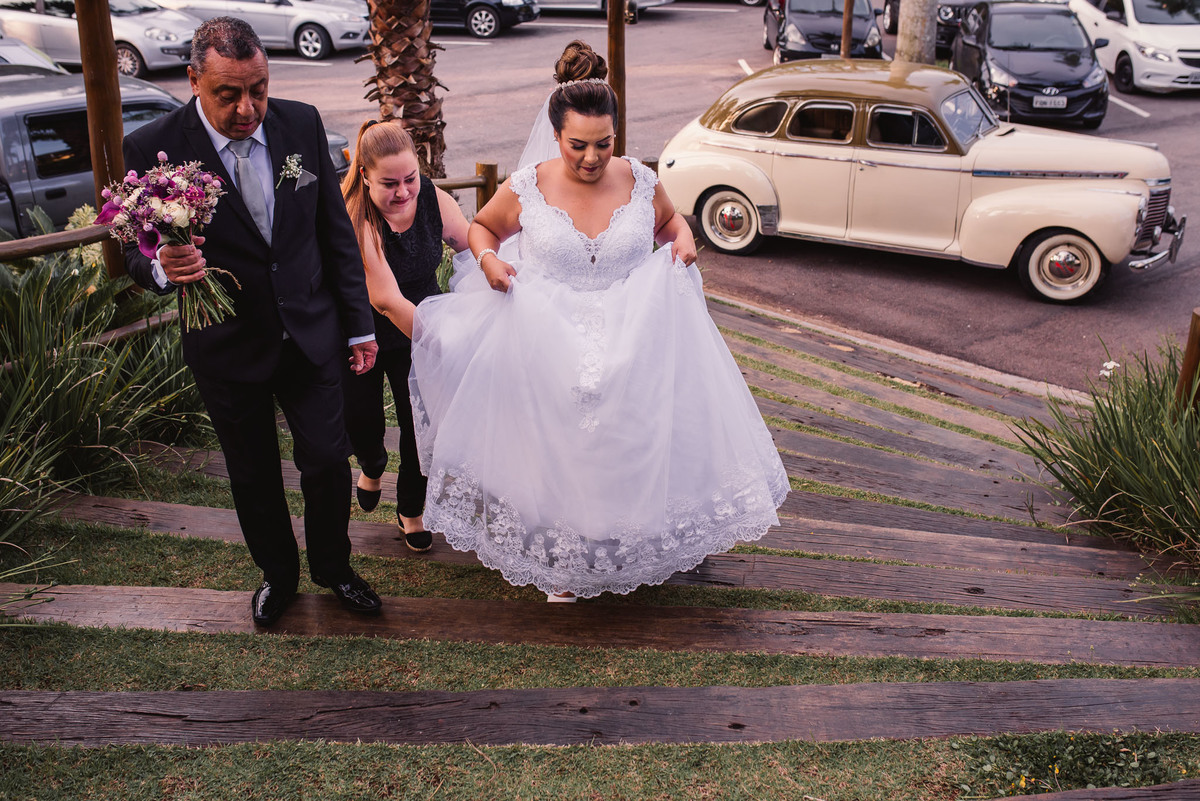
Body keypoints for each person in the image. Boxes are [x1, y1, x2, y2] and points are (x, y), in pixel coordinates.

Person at [408, 41, 789, 601]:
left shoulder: (638, 178)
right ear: (556, 134)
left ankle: (635, 541)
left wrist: (684, 243)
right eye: (578, 145)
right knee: (562, 447)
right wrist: (490, 261)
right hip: (546, 335)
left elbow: (672, 225)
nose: (592, 158)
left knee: (629, 438)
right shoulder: (528, 186)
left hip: (635, 333)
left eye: (604, 144)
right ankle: (564, 558)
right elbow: (481, 231)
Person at [122, 17, 384, 626]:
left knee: (325, 458)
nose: (249, 108)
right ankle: (280, 576)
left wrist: (359, 324)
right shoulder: (152, 148)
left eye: (258, 89)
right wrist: (162, 265)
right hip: (226, 344)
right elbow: (131, 249)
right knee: (253, 471)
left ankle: (334, 568)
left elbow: (332, 232)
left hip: (310, 332)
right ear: (193, 80)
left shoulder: (301, 122)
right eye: (229, 94)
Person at [339, 120, 470, 552]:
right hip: (365, 331)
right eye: (389, 183)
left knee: (421, 422)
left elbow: (470, 243)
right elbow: (386, 300)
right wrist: (445, 345)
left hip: (423, 318)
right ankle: (372, 465)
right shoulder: (359, 218)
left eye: (410, 178)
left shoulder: (432, 196)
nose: (403, 192)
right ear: (364, 177)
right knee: (363, 421)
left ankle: (411, 510)